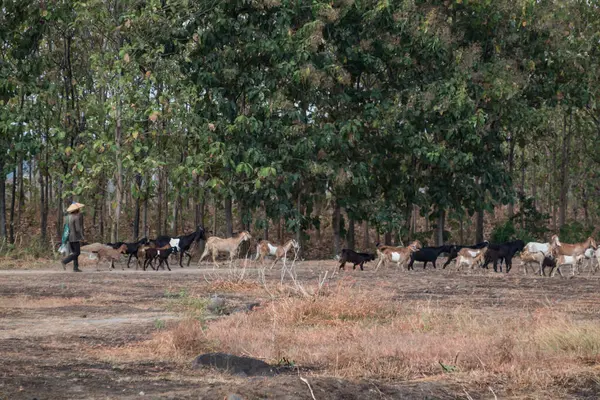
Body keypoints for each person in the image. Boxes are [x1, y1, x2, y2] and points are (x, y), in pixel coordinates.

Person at [61, 202, 85, 272]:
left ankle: (75, 267)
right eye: (79, 209)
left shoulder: (66, 218)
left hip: (68, 237)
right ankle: (65, 261)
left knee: (74, 252)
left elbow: (64, 227)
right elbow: (77, 229)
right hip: (74, 237)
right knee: (77, 253)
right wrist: (81, 237)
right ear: (76, 210)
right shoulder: (76, 217)